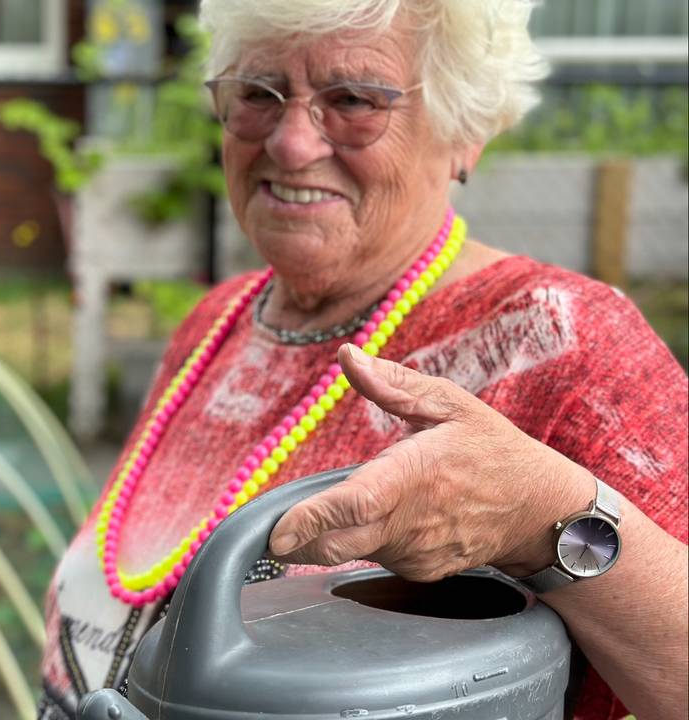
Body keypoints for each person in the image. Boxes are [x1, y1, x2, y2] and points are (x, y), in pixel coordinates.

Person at [36, 1, 688, 719]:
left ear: (463, 130)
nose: (289, 142)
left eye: (352, 100)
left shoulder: (565, 343)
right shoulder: (214, 324)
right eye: (257, 94)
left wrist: (544, 519)